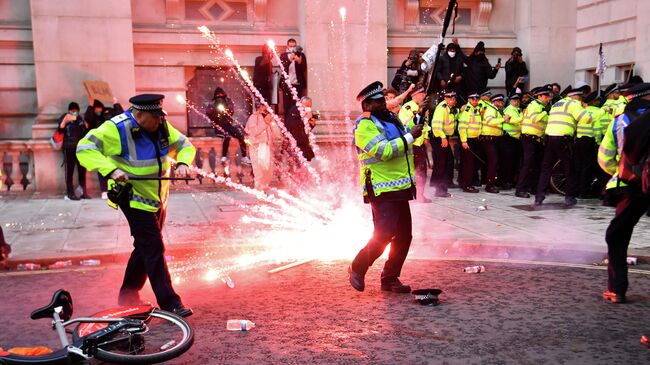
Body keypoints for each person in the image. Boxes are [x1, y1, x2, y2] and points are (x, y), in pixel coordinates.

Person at [76, 94, 196, 317]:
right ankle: (171, 303)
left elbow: (185, 145)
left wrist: (182, 163)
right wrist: (111, 170)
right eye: (155, 117)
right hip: (132, 197)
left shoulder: (161, 125)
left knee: (144, 246)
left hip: (157, 197)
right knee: (153, 246)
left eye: (161, 117)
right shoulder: (116, 128)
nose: (160, 121)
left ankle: (128, 295)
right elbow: (84, 149)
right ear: (139, 115)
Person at [348, 81, 423, 294]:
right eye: (379, 101)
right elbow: (384, 151)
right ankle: (357, 266)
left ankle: (390, 278)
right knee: (385, 233)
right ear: (367, 105)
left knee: (404, 236)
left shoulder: (392, 118)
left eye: (384, 100)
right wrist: (410, 136)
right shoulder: (364, 125)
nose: (384, 103)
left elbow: (408, 134)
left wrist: (418, 119)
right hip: (380, 188)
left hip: (400, 186)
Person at [599, 83, 650, 303]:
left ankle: (617, 290)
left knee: (617, 235)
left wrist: (623, 172)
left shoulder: (620, 121)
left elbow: (605, 157)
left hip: (633, 186)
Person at [535, 85, 592, 206]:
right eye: (581, 98)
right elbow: (586, 119)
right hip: (563, 139)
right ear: (575, 96)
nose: (581, 100)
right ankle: (569, 197)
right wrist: (586, 109)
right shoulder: (574, 104)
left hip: (550, 138)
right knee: (569, 168)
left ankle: (539, 197)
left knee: (546, 168)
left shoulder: (557, 104)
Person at [515, 86, 552, 198]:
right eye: (546, 96)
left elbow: (545, 122)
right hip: (529, 138)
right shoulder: (533, 105)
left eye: (548, 96)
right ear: (539, 96)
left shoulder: (541, 106)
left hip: (537, 139)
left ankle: (534, 188)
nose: (548, 98)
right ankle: (520, 189)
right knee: (527, 165)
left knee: (537, 165)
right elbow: (535, 119)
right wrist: (545, 112)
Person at [84, 99, 125, 199]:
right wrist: (90, 106)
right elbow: (88, 118)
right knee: (103, 168)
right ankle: (104, 190)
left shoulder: (109, 113)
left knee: (116, 166)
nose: (97, 110)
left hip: (113, 144)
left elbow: (121, 116)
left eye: (99, 108)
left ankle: (116, 188)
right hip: (101, 145)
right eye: (95, 109)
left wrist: (116, 103)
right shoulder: (94, 117)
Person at [398, 85, 430, 203]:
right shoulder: (407, 108)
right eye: (421, 94)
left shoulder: (423, 107)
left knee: (422, 171)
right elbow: (404, 125)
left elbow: (425, 124)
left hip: (420, 143)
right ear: (414, 95)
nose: (423, 96)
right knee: (415, 171)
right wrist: (416, 114)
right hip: (412, 144)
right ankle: (415, 195)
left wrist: (426, 137)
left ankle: (420, 194)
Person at [205, 87, 250, 166]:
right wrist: (215, 116)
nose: (219, 95)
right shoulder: (212, 103)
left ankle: (244, 156)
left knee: (240, 135)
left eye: (220, 94)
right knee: (227, 136)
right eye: (217, 94)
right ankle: (224, 156)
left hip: (228, 125)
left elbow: (231, 110)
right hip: (218, 126)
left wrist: (225, 111)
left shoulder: (227, 101)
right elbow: (208, 114)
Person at [429, 90, 458, 197]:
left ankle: (445, 182)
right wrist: (443, 138)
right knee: (442, 162)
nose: (452, 100)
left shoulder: (452, 108)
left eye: (454, 98)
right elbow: (436, 125)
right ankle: (439, 189)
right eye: (449, 98)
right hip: (438, 136)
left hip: (444, 136)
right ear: (445, 98)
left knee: (449, 160)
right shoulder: (442, 108)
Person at [59, 102, 89, 200]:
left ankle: (83, 192)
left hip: (80, 148)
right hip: (69, 148)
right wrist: (65, 120)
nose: (74, 112)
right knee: (70, 172)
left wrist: (84, 122)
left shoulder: (80, 118)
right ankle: (70, 193)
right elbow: (60, 130)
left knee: (82, 171)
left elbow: (85, 130)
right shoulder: (65, 117)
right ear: (69, 111)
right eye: (72, 111)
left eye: (76, 111)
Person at [245, 103, 275, 191]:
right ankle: (259, 193)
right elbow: (253, 132)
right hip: (257, 147)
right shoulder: (253, 117)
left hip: (267, 147)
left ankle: (264, 190)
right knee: (259, 172)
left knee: (268, 172)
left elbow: (273, 132)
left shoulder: (268, 117)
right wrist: (265, 123)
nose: (267, 108)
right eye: (265, 106)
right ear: (260, 107)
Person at [457, 92, 482, 193]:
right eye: (473, 99)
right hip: (468, 140)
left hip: (473, 139)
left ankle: (463, 182)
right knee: (469, 164)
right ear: (469, 100)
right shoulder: (468, 110)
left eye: (477, 99)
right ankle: (467, 185)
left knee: (467, 163)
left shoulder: (475, 109)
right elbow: (462, 127)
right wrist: (464, 141)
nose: (475, 101)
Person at [480, 94, 505, 193]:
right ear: (495, 101)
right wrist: (504, 119)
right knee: (493, 162)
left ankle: (491, 182)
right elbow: (490, 121)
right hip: (489, 139)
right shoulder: (491, 110)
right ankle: (489, 185)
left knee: (493, 162)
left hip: (494, 139)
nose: (502, 103)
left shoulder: (496, 110)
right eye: (500, 101)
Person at [500, 93, 523, 189]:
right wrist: (523, 117)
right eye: (514, 100)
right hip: (508, 138)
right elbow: (511, 120)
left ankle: (509, 180)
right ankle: (505, 181)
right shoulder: (509, 109)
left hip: (515, 139)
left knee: (513, 161)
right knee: (507, 161)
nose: (517, 102)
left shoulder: (517, 110)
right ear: (510, 101)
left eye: (518, 100)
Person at [280, 38, 308, 119]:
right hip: (287, 85)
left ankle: (296, 122)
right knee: (287, 105)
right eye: (290, 46)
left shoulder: (301, 55)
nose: (292, 48)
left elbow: (304, 68)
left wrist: (299, 62)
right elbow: (282, 68)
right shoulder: (283, 55)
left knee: (297, 105)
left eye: (294, 46)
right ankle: (287, 124)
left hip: (298, 84)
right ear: (287, 46)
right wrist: (289, 59)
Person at [285, 96, 316, 161]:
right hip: (296, 141)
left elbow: (306, 128)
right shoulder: (294, 110)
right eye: (307, 106)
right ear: (301, 103)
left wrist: (312, 124)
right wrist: (306, 119)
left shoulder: (305, 112)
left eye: (310, 106)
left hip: (303, 141)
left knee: (310, 158)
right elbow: (292, 125)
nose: (308, 108)